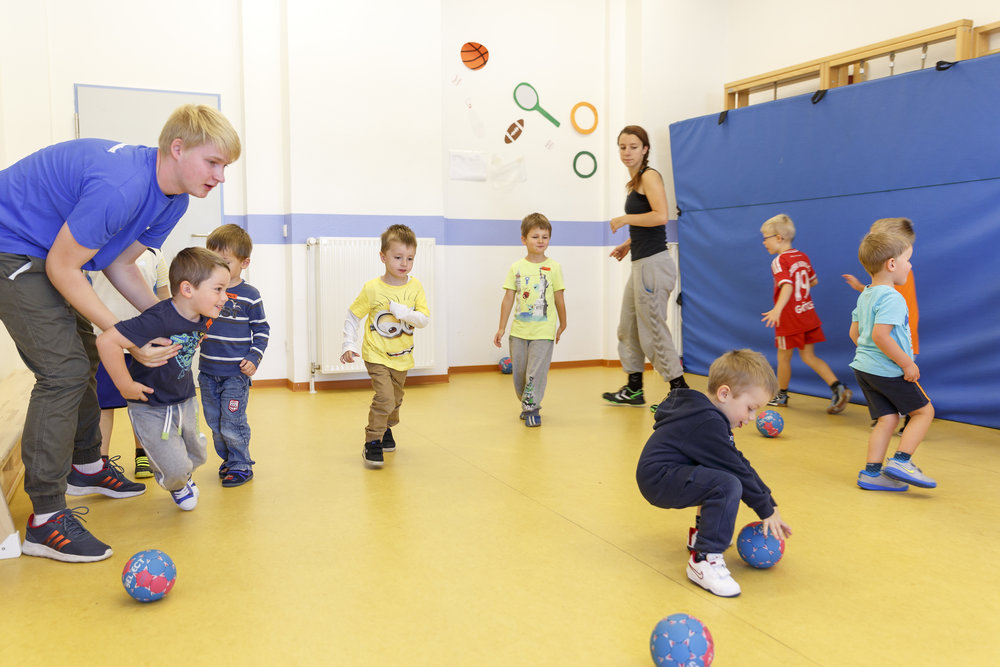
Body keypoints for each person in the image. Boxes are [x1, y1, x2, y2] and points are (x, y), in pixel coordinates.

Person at [0, 104, 240, 562]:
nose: (220, 176)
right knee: (64, 372)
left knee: (85, 357)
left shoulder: (175, 198)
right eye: (213, 162)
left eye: (225, 166)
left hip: (46, 253)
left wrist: (172, 323)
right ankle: (45, 519)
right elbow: (62, 266)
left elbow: (120, 263)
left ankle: (86, 465)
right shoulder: (121, 187)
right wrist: (131, 337)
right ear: (177, 148)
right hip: (11, 249)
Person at [636, 349, 791, 598]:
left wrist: (769, 502)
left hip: (663, 474)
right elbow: (736, 471)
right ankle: (703, 560)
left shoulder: (707, 416)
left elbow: (739, 462)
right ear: (724, 393)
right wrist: (765, 509)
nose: (751, 418)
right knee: (727, 484)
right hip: (659, 478)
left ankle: (701, 536)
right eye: (750, 408)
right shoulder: (706, 422)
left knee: (721, 474)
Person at [97, 247, 230, 510]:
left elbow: (193, 337)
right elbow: (106, 341)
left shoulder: (203, 316)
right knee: (175, 465)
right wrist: (125, 385)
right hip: (151, 404)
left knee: (197, 455)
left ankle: (182, 473)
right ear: (188, 290)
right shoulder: (157, 319)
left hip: (185, 398)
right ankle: (177, 483)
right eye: (218, 289)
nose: (224, 298)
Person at [603, 125, 687, 409]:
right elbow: (648, 222)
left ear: (645, 149)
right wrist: (628, 243)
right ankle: (634, 389)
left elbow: (660, 216)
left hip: (653, 265)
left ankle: (680, 393)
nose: (627, 152)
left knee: (652, 330)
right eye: (623, 147)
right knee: (627, 326)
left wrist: (625, 219)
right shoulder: (634, 181)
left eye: (633, 146)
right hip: (640, 262)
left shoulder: (649, 176)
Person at [849, 231, 936, 492]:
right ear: (892, 264)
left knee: (887, 419)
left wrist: (869, 356)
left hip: (863, 369)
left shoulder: (865, 295)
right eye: (908, 260)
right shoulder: (893, 298)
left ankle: (872, 473)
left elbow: (855, 334)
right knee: (924, 412)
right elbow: (880, 335)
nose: (910, 265)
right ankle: (901, 461)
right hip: (887, 370)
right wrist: (907, 364)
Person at [340, 224, 430, 468]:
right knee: (385, 398)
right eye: (398, 257)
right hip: (376, 354)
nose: (404, 263)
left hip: (402, 356)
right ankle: (372, 441)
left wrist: (404, 312)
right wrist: (348, 343)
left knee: (396, 400)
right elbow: (353, 315)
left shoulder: (415, 287)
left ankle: (386, 427)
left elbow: (423, 319)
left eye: (410, 258)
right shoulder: (372, 288)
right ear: (383, 257)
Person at [89, 247, 170, 478]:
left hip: (145, 340)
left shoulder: (154, 253)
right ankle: (101, 462)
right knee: (103, 403)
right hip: (104, 339)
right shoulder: (96, 246)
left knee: (142, 401)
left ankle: (142, 453)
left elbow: (163, 297)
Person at [198, 224, 269, 487]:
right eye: (212, 260)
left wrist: (254, 357)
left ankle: (241, 464)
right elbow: (197, 321)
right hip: (207, 372)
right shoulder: (205, 290)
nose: (217, 267)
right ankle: (228, 459)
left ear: (244, 263)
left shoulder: (250, 296)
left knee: (232, 421)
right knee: (215, 423)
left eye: (225, 262)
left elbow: (262, 329)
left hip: (235, 374)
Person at [760, 214, 851, 413]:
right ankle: (838, 387)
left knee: (783, 357)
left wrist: (778, 309)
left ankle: (781, 395)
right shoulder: (802, 256)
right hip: (807, 313)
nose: (764, 242)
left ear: (779, 238)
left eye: (766, 237)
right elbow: (813, 281)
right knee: (809, 356)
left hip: (789, 318)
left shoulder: (779, 261)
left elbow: (787, 285)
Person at [842, 217, 918, 433]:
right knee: (902, 372)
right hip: (887, 335)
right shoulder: (883, 287)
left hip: (900, 330)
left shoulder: (899, 278)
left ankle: (904, 413)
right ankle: (895, 413)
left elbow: (883, 306)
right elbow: (881, 303)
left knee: (906, 371)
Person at [493, 213, 567, 427]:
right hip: (518, 333)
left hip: (543, 332)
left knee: (536, 373)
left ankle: (532, 407)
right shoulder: (516, 267)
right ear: (524, 239)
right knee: (520, 375)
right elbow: (508, 299)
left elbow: (559, 298)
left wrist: (563, 323)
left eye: (545, 236)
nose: (541, 241)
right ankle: (525, 401)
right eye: (535, 236)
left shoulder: (554, 267)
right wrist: (501, 328)